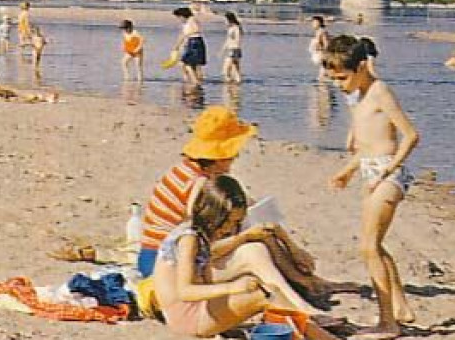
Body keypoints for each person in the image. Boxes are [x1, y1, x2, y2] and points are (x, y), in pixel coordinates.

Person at [136, 106, 330, 309]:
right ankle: (299, 289)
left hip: (154, 255)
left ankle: (303, 282)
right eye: (232, 152)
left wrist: (290, 245)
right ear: (220, 155)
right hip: (166, 265)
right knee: (253, 244)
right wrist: (255, 238)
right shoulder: (200, 187)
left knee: (255, 229)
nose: (236, 157)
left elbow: (253, 209)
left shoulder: (188, 171)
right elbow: (198, 243)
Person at [151, 175, 356, 340]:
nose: (232, 227)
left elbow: (203, 275)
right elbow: (185, 291)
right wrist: (232, 288)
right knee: (263, 295)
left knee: (267, 289)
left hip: (196, 307)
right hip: (186, 316)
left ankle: (313, 331)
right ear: (216, 216)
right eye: (230, 222)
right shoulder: (189, 240)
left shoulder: (196, 233)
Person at [324, 35, 419, 337]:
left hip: (389, 173)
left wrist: (386, 171)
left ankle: (388, 323)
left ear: (362, 67)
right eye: (333, 79)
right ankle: (401, 307)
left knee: (368, 247)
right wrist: (348, 171)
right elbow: (367, 146)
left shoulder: (380, 92)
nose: (339, 85)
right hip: (371, 170)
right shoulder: (360, 95)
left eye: (342, 78)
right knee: (375, 244)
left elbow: (411, 136)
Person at [170, 6, 206, 85]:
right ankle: (194, 81)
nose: (179, 19)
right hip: (193, 42)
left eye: (179, 17)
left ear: (182, 15)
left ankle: (194, 82)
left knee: (185, 63)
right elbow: (182, 34)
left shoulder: (191, 19)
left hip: (195, 42)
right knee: (193, 64)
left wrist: (186, 35)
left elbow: (196, 29)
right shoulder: (186, 23)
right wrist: (177, 46)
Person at [221, 12, 243, 84]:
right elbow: (228, 40)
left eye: (225, 20)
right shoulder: (231, 28)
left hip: (234, 50)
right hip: (233, 49)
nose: (224, 22)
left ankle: (228, 85)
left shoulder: (236, 28)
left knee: (225, 70)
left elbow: (238, 39)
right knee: (235, 69)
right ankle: (235, 86)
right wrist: (223, 50)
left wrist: (235, 48)